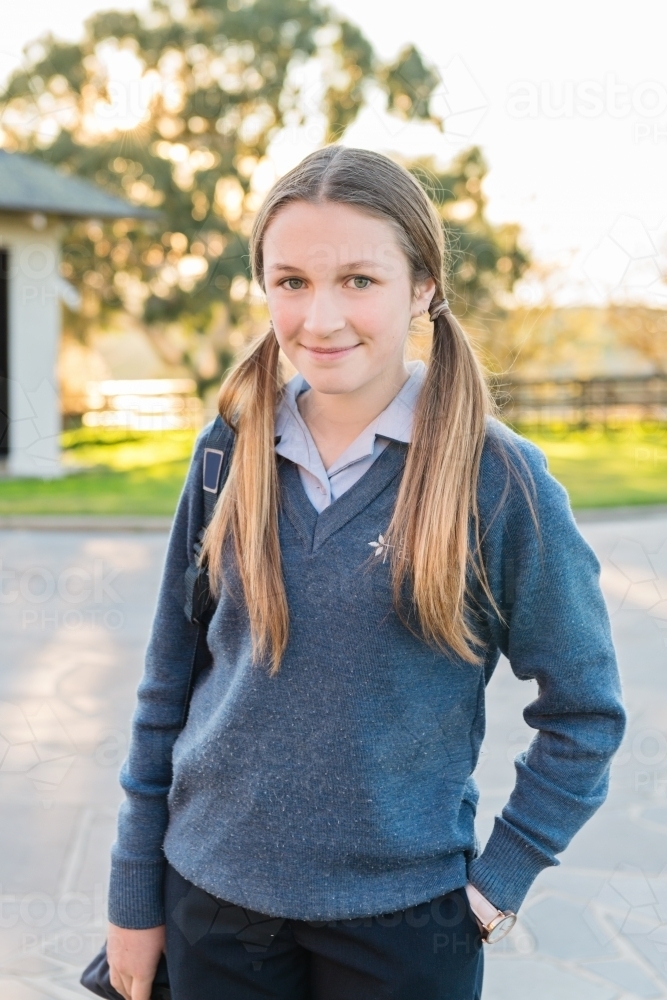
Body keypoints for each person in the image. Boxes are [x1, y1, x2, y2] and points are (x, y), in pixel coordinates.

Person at [105, 146, 626, 1000]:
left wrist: (497, 887)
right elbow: (168, 684)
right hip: (209, 903)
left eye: (357, 280)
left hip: (406, 927)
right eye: (290, 281)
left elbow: (584, 713)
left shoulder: (500, 482)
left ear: (421, 286)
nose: (320, 316)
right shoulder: (224, 454)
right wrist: (134, 894)